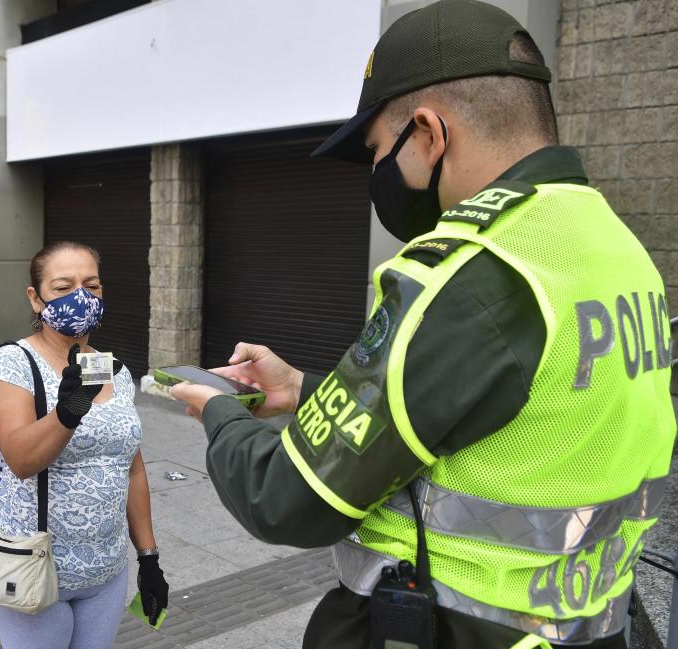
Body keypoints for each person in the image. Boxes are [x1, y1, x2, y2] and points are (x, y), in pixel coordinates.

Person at [169, 3, 676, 649]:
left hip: (455, 625)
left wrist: (221, 412)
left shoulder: (475, 272)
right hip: (595, 621)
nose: (381, 173)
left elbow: (284, 497)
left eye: (381, 149)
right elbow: (503, 404)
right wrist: (306, 387)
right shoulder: (613, 247)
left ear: (431, 132)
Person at [0, 241, 169, 649]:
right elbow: (20, 459)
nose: (81, 297)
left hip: (106, 572)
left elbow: (131, 468)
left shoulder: (115, 370)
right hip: (34, 569)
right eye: (64, 287)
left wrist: (149, 557)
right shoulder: (14, 362)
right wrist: (65, 414)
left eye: (92, 286)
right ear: (36, 297)